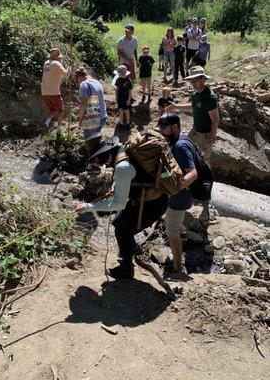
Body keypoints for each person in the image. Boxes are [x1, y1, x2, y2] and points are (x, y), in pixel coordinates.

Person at [75, 136, 169, 279]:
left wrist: (89, 207)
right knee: (118, 222)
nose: (96, 164)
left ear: (103, 155)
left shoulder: (122, 167)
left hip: (152, 204)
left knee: (123, 230)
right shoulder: (122, 148)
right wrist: (117, 186)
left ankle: (126, 269)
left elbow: (119, 203)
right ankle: (131, 248)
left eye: (95, 159)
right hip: (148, 198)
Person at [165, 66, 219, 222]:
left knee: (205, 166)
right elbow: (192, 107)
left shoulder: (210, 97)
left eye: (196, 80)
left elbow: (215, 120)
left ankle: (205, 204)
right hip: (195, 130)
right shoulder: (196, 94)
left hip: (205, 134)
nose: (193, 83)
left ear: (203, 78)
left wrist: (211, 140)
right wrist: (175, 107)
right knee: (179, 145)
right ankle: (185, 179)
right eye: (191, 80)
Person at [158, 113, 198, 273]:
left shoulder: (181, 146)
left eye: (164, 128)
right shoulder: (177, 140)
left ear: (174, 127)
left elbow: (193, 173)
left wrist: (174, 188)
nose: (161, 131)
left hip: (180, 197)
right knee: (173, 222)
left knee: (170, 232)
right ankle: (183, 235)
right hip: (175, 195)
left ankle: (177, 268)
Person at [41, 48, 71, 130]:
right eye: (60, 57)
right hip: (54, 92)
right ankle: (59, 130)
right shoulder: (56, 64)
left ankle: (46, 123)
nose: (61, 59)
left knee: (53, 110)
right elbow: (66, 75)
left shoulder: (46, 63)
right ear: (57, 57)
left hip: (44, 92)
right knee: (61, 112)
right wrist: (70, 65)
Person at [75, 67, 107, 140]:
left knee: (89, 143)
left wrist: (80, 118)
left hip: (92, 120)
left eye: (76, 80)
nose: (77, 83)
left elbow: (83, 105)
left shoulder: (83, 84)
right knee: (95, 141)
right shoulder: (96, 82)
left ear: (79, 77)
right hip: (103, 116)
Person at [114, 65, 133, 129]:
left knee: (127, 110)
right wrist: (116, 99)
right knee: (121, 110)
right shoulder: (118, 80)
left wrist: (129, 100)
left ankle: (128, 122)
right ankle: (121, 122)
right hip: (120, 97)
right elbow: (116, 90)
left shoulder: (128, 80)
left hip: (126, 97)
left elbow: (130, 91)